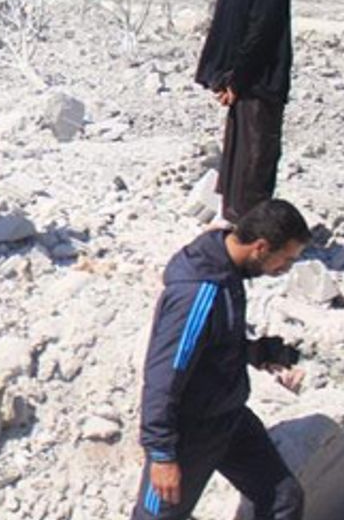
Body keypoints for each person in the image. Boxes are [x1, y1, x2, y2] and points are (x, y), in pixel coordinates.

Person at [131, 199, 309, 520]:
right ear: (261, 247)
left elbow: (215, 342)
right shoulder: (198, 294)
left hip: (230, 418)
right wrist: (162, 455)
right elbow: (162, 379)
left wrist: (260, 353)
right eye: (286, 259)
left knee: (283, 499)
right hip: (190, 433)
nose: (286, 269)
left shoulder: (228, 271)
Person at [195, 0, 294, 226]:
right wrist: (238, 80)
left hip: (236, 78)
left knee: (239, 150)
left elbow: (224, 33)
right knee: (258, 152)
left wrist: (224, 79)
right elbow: (260, 35)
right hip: (259, 81)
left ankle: (233, 214)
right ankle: (250, 223)